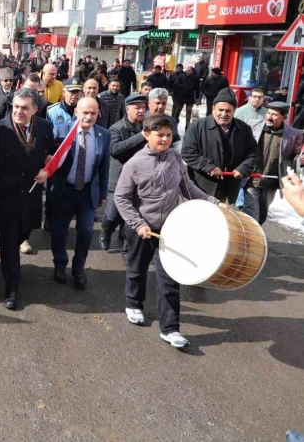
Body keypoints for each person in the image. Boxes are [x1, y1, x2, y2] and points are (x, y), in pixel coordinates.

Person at [116, 115, 226, 349]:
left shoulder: (175, 158)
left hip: (170, 229)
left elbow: (188, 188)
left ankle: (170, 328)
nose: (165, 140)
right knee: (137, 270)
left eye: (169, 135)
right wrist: (138, 224)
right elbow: (121, 198)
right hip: (141, 228)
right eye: (160, 135)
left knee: (169, 279)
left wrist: (212, 202)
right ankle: (134, 304)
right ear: (147, 135)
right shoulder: (134, 164)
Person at [0, 88, 54, 309]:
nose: (19, 111)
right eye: (15, 107)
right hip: (6, 194)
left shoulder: (45, 127)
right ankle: (11, 287)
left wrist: (47, 169)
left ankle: (12, 261)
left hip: (32, 193)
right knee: (8, 240)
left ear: (35, 109)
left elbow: (50, 154)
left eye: (25, 108)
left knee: (25, 231)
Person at [50, 98, 111, 289]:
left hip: (87, 192)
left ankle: (78, 268)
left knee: (86, 232)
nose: (89, 117)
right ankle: (60, 265)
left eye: (93, 113)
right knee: (60, 231)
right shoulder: (61, 130)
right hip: (65, 190)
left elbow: (104, 167)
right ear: (76, 112)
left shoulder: (103, 134)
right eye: (85, 112)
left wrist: (103, 193)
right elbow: (50, 159)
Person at [182, 88, 258, 203]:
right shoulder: (197, 126)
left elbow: (252, 153)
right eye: (220, 110)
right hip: (201, 186)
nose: (224, 114)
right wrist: (208, 166)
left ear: (234, 110)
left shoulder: (243, 128)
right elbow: (188, 152)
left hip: (228, 186)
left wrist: (243, 168)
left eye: (228, 111)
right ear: (213, 108)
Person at [100, 93, 148, 251]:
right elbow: (114, 150)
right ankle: (106, 231)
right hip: (119, 178)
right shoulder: (117, 128)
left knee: (133, 212)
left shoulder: (147, 126)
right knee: (113, 213)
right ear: (127, 109)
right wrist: (140, 137)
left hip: (139, 179)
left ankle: (124, 239)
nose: (141, 111)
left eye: (143, 107)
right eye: (137, 108)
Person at [242, 102, 303, 225]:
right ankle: (249, 235)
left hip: (271, 181)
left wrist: (300, 160)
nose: (269, 117)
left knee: (262, 214)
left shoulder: (294, 134)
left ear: (283, 117)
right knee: (251, 213)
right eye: (268, 113)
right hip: (251, 178)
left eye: (274, 115)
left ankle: (256, 234)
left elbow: (296, 156)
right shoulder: (252, 125)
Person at [170, 65, 200, 129]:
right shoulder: (181, 76)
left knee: (188, 111)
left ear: (192, 71)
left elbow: (197, 88)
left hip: (190, 97)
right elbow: (176, 84)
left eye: (189, 71)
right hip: (181, 96)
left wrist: (197, 97)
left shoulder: (195, 78)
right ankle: (175, 120)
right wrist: (183, 86)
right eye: (187, 71)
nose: (187, 72)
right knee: (178, 110)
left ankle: (187, 123)